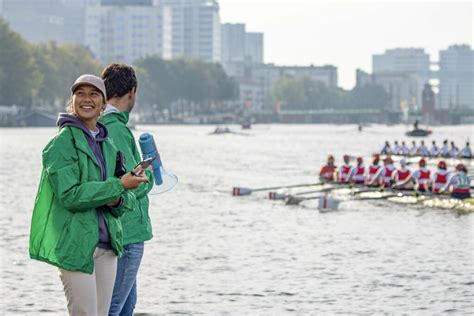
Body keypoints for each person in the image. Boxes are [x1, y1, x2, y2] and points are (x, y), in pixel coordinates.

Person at [29, 74, 148, 316]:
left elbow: (123, 199)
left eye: (94, 94)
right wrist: (117, 187)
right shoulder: (60, 144)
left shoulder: (108, 144)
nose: (87, 99)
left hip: (108, 245)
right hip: (76, 245)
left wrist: (120, 194)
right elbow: (70, 195)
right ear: (72, 101)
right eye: (80, 94)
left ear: (104, 103)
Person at [99, 64, 155, 316]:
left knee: (126, 307)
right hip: (128, 233)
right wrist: (151, 174)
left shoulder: (100, 125)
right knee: (113, 309)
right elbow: (130, 183)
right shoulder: (119, 130)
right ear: (132, 92)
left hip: (117, 232)